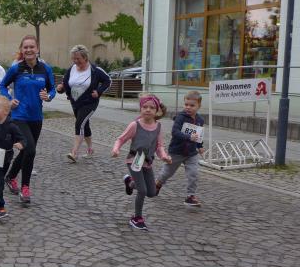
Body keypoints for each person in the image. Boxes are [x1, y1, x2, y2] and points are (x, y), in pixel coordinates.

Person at [0, 35, 55, 204]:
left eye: (32, 47)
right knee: (30, 150)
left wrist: (48, 96)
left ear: (37, 49)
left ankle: (10, 177)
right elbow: (2, 85)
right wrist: (9, 99)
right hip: (19, 116)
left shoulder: (45, 69)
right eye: (26, 47)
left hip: (36, 117)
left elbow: (52, 89)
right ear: (21, 50)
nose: (29, 50)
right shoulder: (16, 69)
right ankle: (25, 188)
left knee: (25, 151)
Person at [111, 94, 172, 231]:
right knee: (142, 190)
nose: (148, 110)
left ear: (157, 110)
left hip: (147, 162)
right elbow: (121, 139)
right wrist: (116, 149)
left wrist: (164, 156)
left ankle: (130, 182)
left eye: (151, 107)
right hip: (134, 160)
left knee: (152, 192)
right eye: (145, 107)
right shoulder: (135, 125)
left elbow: (159, 146)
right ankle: (137, 218)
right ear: (140, 109)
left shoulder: (158, 127)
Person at [56, 44, 111, 162]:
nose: (76, 61)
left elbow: (108, 81)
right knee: (84, 125)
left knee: (79, 124)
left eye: (78, 59)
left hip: (90, 102)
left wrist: (99, 91)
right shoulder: (71, 69)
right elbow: (65, 83)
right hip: (75, 102)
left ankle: (74, 153)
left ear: (85, 58)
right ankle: (90, 149)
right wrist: (60, 89)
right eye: (73, 58)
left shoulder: (95, 70)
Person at [156, 90, 205, 207]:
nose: (188, 107)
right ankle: (157, 184)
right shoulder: (180, 117)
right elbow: (175, 132)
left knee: (193, 173)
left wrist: (200, 146)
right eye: (186, 104)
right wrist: (189, 137)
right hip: (176, 151)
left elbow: (198, 135)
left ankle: (190, 196)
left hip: (191, 153)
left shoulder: (200, 120)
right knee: (167, 172)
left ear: (199, 106)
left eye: (192, 105)